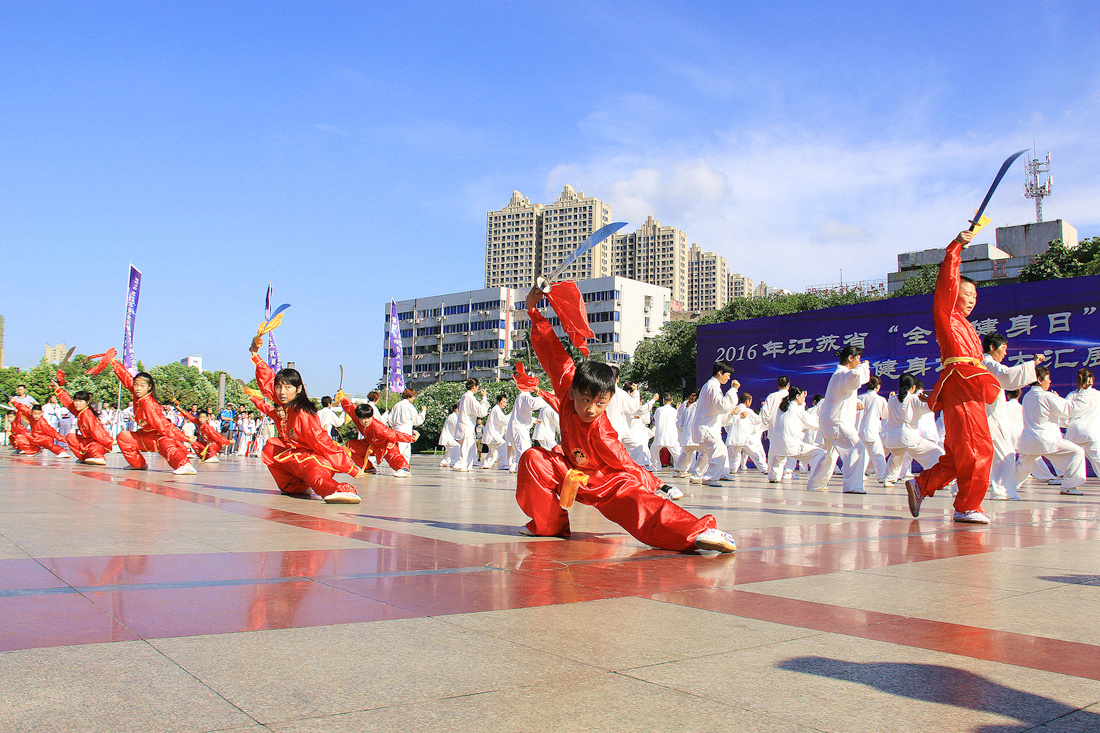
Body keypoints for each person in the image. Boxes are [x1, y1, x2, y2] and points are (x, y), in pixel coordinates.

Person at [514, 285, 736, 552]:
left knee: (637, 502)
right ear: (572, 392)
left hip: (603, 480)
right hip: (567, 468)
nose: (591, 410)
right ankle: (549, 524)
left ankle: (698, 532)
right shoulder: (565, 388)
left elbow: (623, 461)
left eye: (600, 403)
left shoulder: (601, 430)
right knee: (533, 458)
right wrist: (532, 309)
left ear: (608, 400)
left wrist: (656, 483)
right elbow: (553, 352)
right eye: (586, 400)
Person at [905, 229, 1004, 524]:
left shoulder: (968, 328)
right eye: (967, 293)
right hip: (961, 385)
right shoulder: (946, 315)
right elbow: (946, 282)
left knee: (959, 452)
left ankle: (922, 485)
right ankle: (967, 505)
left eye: (975, 296)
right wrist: (956, 248)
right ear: (954, 293)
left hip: (968, 387)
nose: (972, 299)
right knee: (976, 447)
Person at [244, 336, 362, 503]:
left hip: (314, 458)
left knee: (318, 479)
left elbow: (321, 440)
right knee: (271, 449)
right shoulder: (283, 406)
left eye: (288, 387)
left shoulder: (302, 414)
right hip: (295, 455)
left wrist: (348, 466)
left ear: (298, 389)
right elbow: (267, 382)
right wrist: (255, 355)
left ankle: (341, 490)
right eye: (279, 387)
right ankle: (296, 486)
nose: (282, 392)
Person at [86, 350, 196, 475]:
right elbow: (126, 379)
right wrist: (113, 362)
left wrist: (185, 438)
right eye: (136, 385)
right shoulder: (138, 396)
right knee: (124, 437)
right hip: (145, 436)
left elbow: (163, 426)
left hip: (160, 435)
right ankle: (138, 464)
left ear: (149, 387)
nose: (138, 388)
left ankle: (186, 465)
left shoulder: (149, 404)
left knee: (168, 448)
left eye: (142, 385)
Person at [982, 333, 1044, 500]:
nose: (1005, 353)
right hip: (990, 417)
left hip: (988, 416)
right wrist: (1033, 364)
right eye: (1003, 348)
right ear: (992, 347)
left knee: (980, 455)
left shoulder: (983, 363)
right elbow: (1008, 376)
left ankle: (959, 489)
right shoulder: (988, 363)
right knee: (1003, 453)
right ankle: (1001, 491)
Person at [1015, 366, 1087, 496]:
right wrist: (1082, 392)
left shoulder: (1028, 396)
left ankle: (1005, 489)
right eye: (1047, 378)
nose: (1050, 381)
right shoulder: (1046, 396)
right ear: (1039, 379)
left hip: (1028, 440)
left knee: (1021, 469)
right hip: (1045, 439)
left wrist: (1055, 399)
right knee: (1077, 452)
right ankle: (1069, 486)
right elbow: (1069, 410)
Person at [818, 346, 871, 494]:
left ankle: (815, 484)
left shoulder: (839, 375)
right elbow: (857, 377)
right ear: (850, 359)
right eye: (858, 359)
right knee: (857, 448)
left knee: (828, 456)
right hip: (838, 423)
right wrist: (864, 366)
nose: (859, 362)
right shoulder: (842, 374)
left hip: (831, 422)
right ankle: (853, 486)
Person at [883, 374, 943, 486]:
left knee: (896, 458)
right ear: (913, 387)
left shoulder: (892, 400)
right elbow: (929, 407)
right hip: (908, 438)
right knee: (937, 453)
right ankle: (937, 477)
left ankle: (888, 479)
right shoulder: (913, 399)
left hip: (892, 440)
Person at [689, 361, 741, 487]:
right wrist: (733, 390)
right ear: (720, 372)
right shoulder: (713, 386)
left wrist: (730, 413)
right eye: (727, 375)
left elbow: (717, 410)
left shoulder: (711, 385)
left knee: (707, 453)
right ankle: (709, 477)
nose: (729, 378)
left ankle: (696, 476)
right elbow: (722, 405)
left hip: (705, 426)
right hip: (706, 427)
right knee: (720, 450)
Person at [337, 394, 414, 477]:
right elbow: (349, 406)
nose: (366, 421)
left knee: (393, 457)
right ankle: (369, 468)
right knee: (351, 446)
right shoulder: (355, 414)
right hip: (371, 444)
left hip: (385, 444)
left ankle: (404, 469)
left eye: (368, 418)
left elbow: (395, 435)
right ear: (358, 417)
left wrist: (412, 438)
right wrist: (342, 398)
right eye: (363, 418)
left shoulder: (378, 427)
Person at [768, 386, 830, 489]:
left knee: (779, 457)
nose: (803, 399)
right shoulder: (796, 409)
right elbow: (812, 423)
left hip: (777, 445)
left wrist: (803, 401)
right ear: (797, 396)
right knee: (820, 453)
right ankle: (816, 481)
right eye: (802, 397)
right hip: (791, 444)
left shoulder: (782, 408)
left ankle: (774, 476)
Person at [51, 379, 112, 465]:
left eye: (80, 401)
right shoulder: (80, 412)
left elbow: (97, 431)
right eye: (76, 401)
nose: (77, 403)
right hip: (87, 441)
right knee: (70, 437)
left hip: (98, 442)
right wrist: (58, 389)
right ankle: (85, 457)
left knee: (92, 447)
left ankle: (99, 457)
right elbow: (68, 402)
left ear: (87, 402)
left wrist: (109, 441)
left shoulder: (87, 415)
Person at [504, 365, 546, 473]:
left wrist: (533, 420)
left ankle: (516, 468)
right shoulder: (525, 395)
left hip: (517, 428)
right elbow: (533, 404)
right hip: (520, 430)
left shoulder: (522, 396)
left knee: (519, 452)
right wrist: (546, 396)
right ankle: (523, 472)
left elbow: (522, 413)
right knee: (524, 452)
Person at [1066, 368, 1100, 480]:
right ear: (1092, 380)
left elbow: (1064, 413)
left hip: (1074, 432)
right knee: (1098, 459)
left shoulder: (1072, 395)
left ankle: (1070, 486)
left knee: (1073, 461)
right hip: (1091, 433)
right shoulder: (1097, 395)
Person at [725, 393, 766, 477]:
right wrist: (763, 408)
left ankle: (732, 470)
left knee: (735, 456)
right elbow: (759, 420)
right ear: (748, 401)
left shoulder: (734, 410)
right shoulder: (747, 411)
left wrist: (731, 432)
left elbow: (727, 424)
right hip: (744, 438)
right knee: (755, 454)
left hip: (734, 438)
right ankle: (765, 469)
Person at [856, 376, 888, 482]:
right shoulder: (880, 399)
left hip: (859, 431)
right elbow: (885, 415)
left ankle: (859, 475)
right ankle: (882, 476)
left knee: (862, 455)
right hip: (872, 431)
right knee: (878, 455)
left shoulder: (859, 398)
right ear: (877, 386)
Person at [453, 379, 489, 472]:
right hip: (467, 426)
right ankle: (460, 464)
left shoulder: (464, 396)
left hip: (463, 426)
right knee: (466, 448)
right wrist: (484, 398)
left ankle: (468, 465)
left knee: (470, 448)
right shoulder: (470, 397)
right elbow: (481, 412)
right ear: (474, 387)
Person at [388, 388, 426, 465]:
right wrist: (423, 412)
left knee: (402, 451)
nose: (414, 398)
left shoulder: (396, 405)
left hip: (396, 431)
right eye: (413, 397)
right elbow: (417, 420)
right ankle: (400, 468)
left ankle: (403, 468)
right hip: (405, 432)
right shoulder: (409, 406)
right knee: (402, 452)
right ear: (410, 396)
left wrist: (395, 426)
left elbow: (390, 419)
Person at [649, 393, 681, 471]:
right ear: (672, 401)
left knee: (653, 451)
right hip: (671, 435)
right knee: (678, 454)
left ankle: (656, 467)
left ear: (664, 401)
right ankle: (683, 468)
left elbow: (656, 420)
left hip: (660, 434)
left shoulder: (659, 410)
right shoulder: (674, 411)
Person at [481, 394, 511, 470]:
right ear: (498, 401)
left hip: (492, 434)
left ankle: (485, 464)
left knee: (493, 452)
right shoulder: (496, 409)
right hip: (493, 434)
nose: (505, 404)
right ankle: (503, 465)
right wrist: (512, 414)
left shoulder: (497, 410)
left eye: (505, 402)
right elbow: (503, 421)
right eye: (503, 402)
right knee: (503, 444)